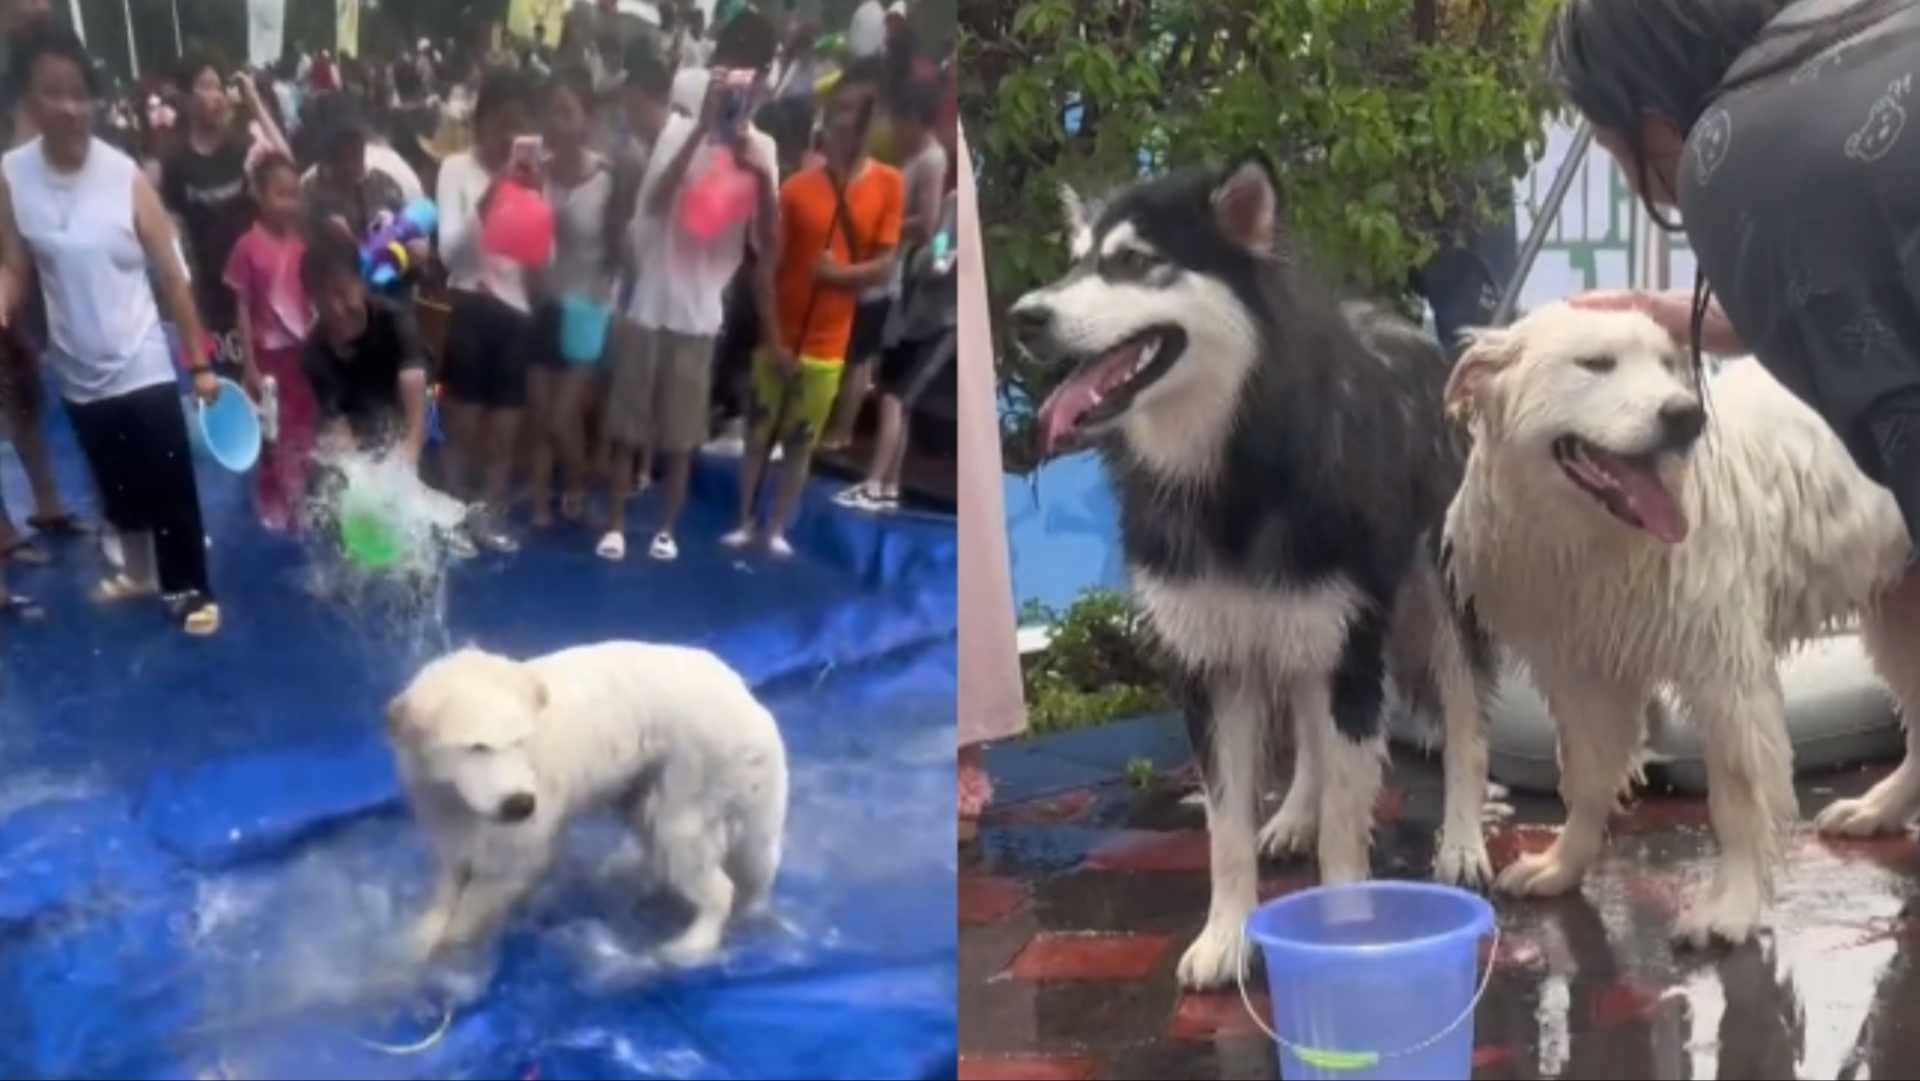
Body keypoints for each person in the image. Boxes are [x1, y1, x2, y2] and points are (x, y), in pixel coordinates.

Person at [1544, 0, 1920, 543]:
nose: (1628, 178)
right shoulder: (1878, 29)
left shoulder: (1725, 161)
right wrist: (1736, 316)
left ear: (1650, 126)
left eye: (1612, 149)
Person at [0, 29, 221, 634]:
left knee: (169, 477)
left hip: (141, 354)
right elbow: (16, 265)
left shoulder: (124, 174)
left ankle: (189, 588)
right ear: (28, 99)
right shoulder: (12, 177)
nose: (70, 107)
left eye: (79, 94)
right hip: (75, 364)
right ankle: (139, 573)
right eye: (53, 93)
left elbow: (174, 274)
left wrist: (199, 361)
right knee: (117, 484)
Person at [600, 34, 781, 562]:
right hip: (648, 303)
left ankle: (667, 528)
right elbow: (653, 203)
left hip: (700, 314)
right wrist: (701, 130)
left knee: (681, 435)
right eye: (728, 79)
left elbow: (767, 243)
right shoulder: (678, 129)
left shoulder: (764, 149)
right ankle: (613, 522)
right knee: (626, 427)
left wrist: (760, 174)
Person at [726, 57, 902, 558]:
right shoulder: (797, 189)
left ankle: (777, 526)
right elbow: (765, 268)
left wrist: (839, 276)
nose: (852, 121)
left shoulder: (888, 185)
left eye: (862, 111)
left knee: (801, 444)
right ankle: (744, 518)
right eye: (844, 109)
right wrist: (775, 338)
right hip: (780, 335)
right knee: (759, 435)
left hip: (829, 344)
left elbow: (886, 266)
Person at [434, 67, 540, 553]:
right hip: (471, 305)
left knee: (504, 428)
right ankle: (456, 519)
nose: (508, 136)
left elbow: (537, 260)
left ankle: (490, 518)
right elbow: (451, 254)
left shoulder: (533, 179)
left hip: (515, 312)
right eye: (501, 123)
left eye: (518, 125)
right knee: (464, 425)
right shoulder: (455, 169)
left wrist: (533, 199)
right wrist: (494, 193)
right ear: (482, 122)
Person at [822, 72, 944, 451]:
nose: (892, 128)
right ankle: (833, 423)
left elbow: (928, 224)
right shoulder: (907, 155)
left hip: (886, 270)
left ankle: (842, 430)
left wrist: (881, 223)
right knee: (851, 350)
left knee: (860, 356)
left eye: (898, 121)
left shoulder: (931, 160)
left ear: (915, 119)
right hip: (866, 262)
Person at [162, 54, 291, 378]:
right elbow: (175, 236)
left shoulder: (241, 147)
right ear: (186, 99)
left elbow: (286, 165)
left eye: (219, 86)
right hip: (211, 300)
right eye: (205, 86)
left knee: (270, 382)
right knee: (228, 384)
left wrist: (254, 101)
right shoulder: (176, 162)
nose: (216, 95)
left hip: (257, 292)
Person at [527, 66, 613, 530]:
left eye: (566, 111)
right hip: (544, 304)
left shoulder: (607, 178)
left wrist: (609, 304)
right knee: (542, 414)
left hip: (588, 309)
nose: (556, 121)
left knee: (564, 414)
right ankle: (541, 500)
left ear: (584, 118)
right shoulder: (532, 172)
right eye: (549, 112)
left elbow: (621, 250)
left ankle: (578, 479)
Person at [223, 153, 315, 531]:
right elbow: (242, 306)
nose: (289, 203)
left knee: (304, 426)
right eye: (281, 194)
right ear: (259, 195)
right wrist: (249, 364)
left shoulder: (302, 244)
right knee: (272, 428)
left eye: (294, 194)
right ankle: (273, 498)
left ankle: (302, 496)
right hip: (268, 356)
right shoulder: (247, 246)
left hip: (302, 354)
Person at [301, 235, 429, 463]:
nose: (337, 309)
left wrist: (404, 469)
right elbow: (340, 432)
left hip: (408, 426)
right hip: (361, 435)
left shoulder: (396, 322)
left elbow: (415, 423)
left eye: (341, 293)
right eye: (323, 298)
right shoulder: (314, 353)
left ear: (361, 282)